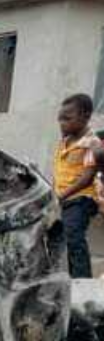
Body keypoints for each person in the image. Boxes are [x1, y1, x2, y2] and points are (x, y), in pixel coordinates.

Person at [53, 93, 101, 278]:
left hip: (81, 199)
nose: (62, 123)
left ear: (86, 116)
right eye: (60, 119)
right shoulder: (65, 141)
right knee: (65, 238)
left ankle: (83, 282)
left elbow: (87, 177)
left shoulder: (91, 144)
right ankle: (73, 278)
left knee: (75, 239)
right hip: (66, 198)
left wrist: (61, 195)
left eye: (67, 118)